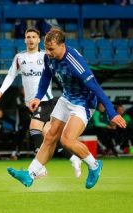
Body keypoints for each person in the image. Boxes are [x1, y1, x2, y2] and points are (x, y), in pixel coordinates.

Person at [7, 28, 126, 189]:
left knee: (67, 140)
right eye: (46, 48)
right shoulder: (48, 57)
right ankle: (30, 174)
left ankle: (94, 165)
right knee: (50, 137)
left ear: (62, 46)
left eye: (51, 49)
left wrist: (112, 113)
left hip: (83, 103)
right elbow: (46, 76)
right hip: (66, 98)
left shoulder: (74, 62)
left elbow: (96, 87)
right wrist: (37, 96)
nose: (48, 52)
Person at [0, 28, 82, 178]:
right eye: (28, 37)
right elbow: (10, 75)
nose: (30, 39)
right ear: (24, 39)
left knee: (34, 128)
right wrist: (1, 92)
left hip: (45, 100)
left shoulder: (46, 55)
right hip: (32, 104)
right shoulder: (19, 57)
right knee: (49, 135)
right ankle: (73, 158)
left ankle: (38, 167)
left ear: (39, 39)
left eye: (34, 37)